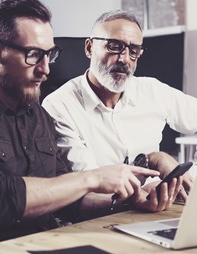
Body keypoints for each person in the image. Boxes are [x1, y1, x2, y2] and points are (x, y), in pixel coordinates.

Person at [0, 0, 181, 244]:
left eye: (49, 55)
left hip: (50, 243)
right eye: (33, 54)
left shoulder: (38, 117)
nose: (45, 69)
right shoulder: (56, 106)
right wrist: (93, 178)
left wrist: (126, 201)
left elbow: (67, 202)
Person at [42, 9, 195, 196]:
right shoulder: (58, 106)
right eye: (114, 46)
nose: (124, 59)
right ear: (89, 48)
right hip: (100, 218)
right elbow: (89, 185)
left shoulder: (152, 90)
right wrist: (151, 160)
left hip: (157, 209)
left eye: (134, 51)